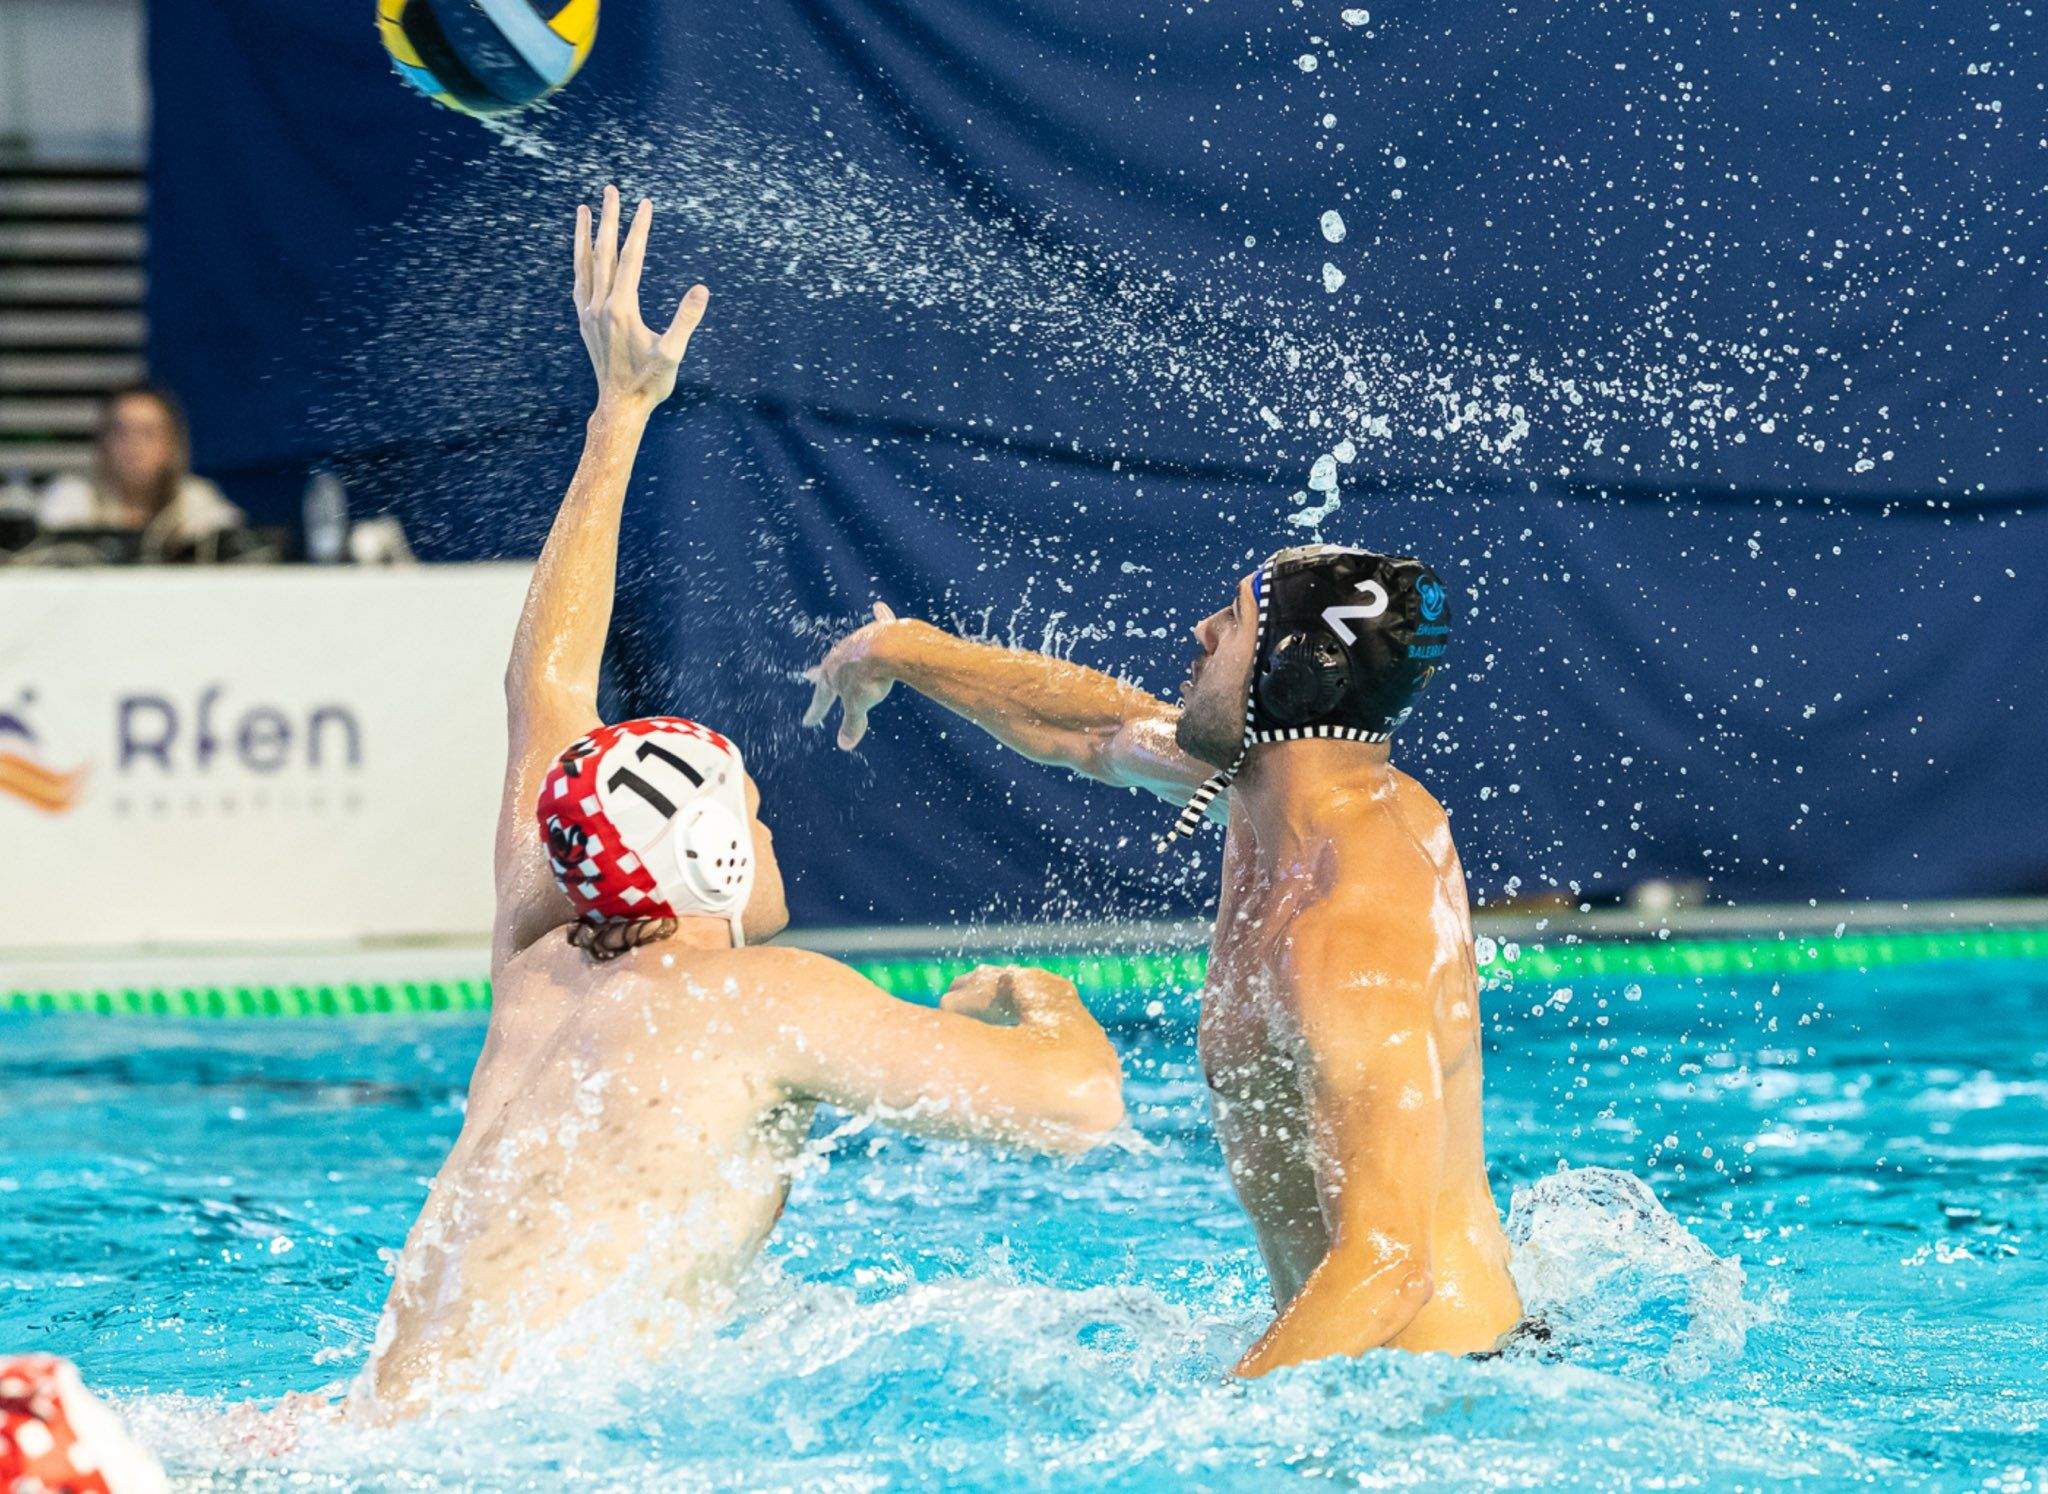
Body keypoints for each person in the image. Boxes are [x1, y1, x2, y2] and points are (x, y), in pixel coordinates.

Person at [355, 188, 1124, 1416]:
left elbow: (543, 684)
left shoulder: (540, 963)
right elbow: (1078, 1114)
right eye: (753, 816)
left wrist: (619, 415)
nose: (771, 836)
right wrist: (1040, 997)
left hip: (372, 1432)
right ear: (710, 852)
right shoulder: (759, 1002)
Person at [804, 546, 1527, 1373]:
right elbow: (1096, 727)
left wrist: (1211, 1433)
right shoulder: (1283, 795)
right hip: (1364, 1366)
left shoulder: (1347, 938)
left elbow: (1388, 1268)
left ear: (1291, 668)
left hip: (1438, 1394)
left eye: (1235, 621)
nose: (1203, 631)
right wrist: (896, 651)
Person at [37, 384, 243, 556]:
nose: (134, 446)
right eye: (121, 433)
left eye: (148, 434)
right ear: (103, 443)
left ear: (171, 446)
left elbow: (237, 547)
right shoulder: (72, 496)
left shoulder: (197, 499)